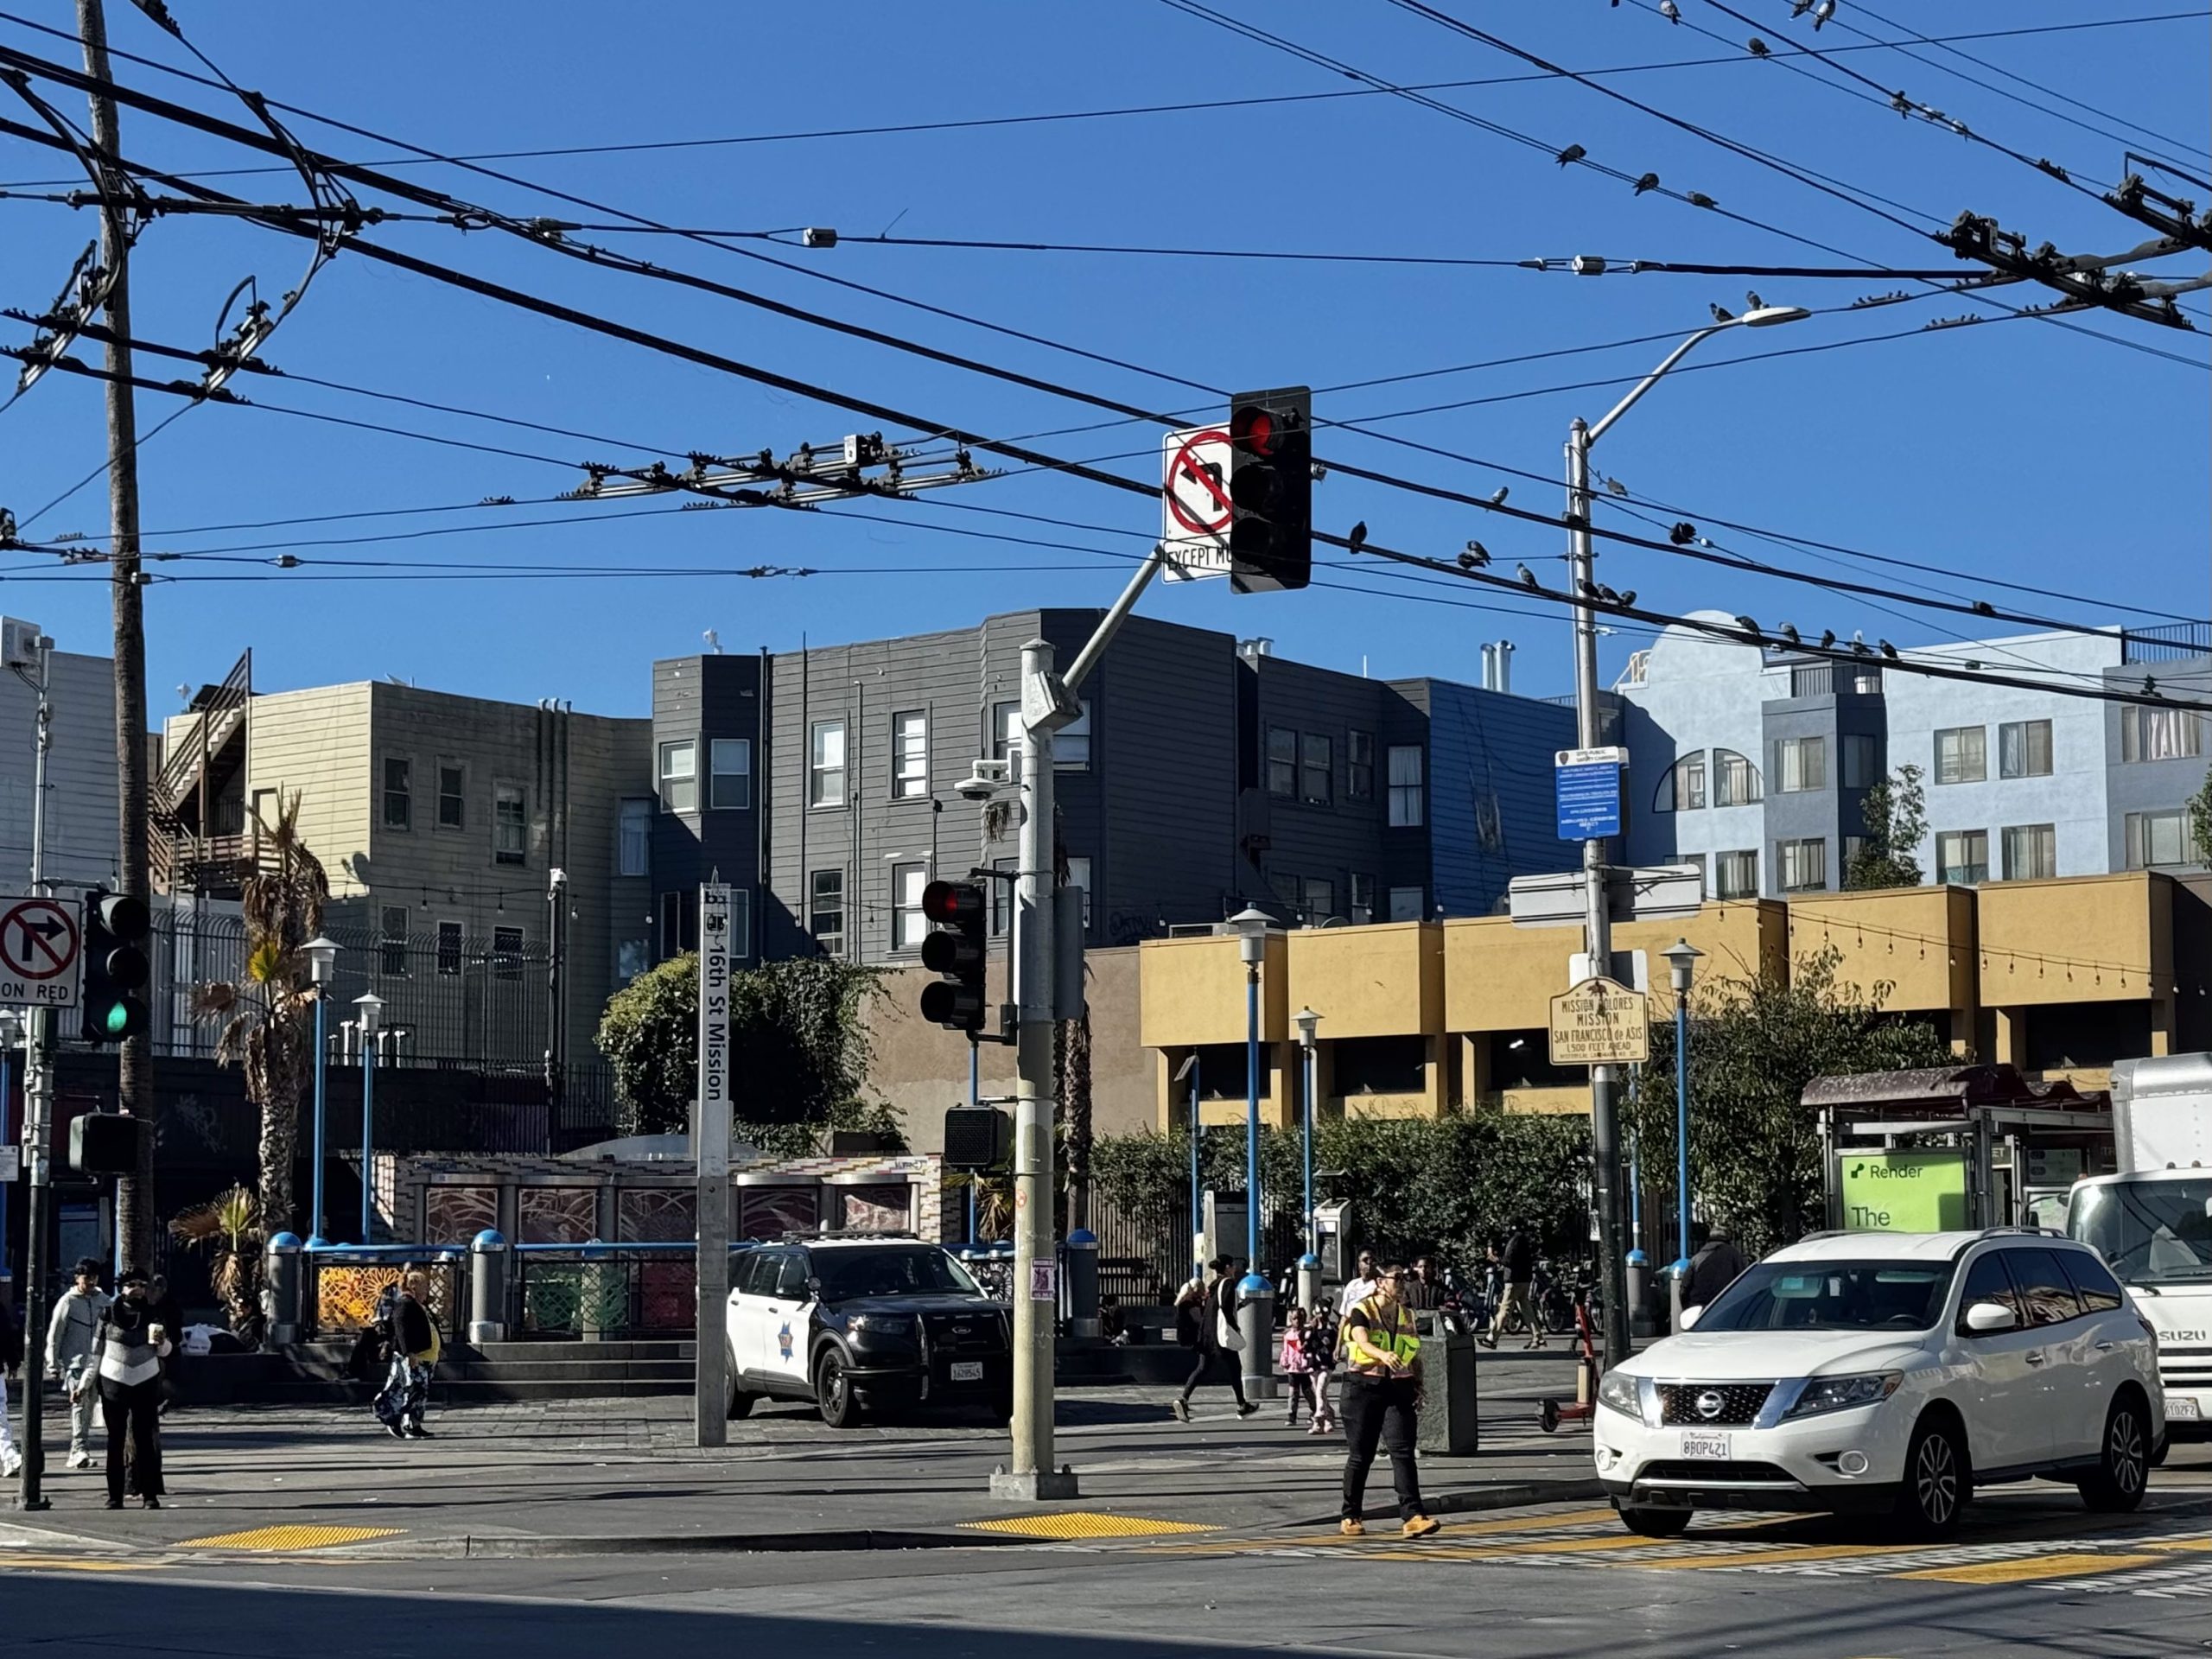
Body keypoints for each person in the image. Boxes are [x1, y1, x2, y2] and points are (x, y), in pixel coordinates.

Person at [1338, 1264, 1439, 1540]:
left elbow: (1414, 1353)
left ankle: (1413, 1516)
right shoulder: (1363, 1310)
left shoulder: (1406, 1314)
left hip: (1397, 1387)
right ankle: (1350, 1515)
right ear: (1381, 1283)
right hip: (1362, 1388)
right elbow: (1362, 1340)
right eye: (1398, 1279)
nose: (1403, 1283)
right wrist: (1382, 1355)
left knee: (1403, 1450)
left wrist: (1418, 1384)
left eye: (1406, 1278)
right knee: (1362, 1455)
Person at [95, 1268, 168, 1510]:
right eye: (130, 1284)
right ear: (121, 1288)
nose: (136, 1288)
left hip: (146, 1381)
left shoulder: (154, 1315)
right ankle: (114, 1496)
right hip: (112, 1382)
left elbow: (167, 1351)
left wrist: (162, 1342)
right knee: (115, 1440)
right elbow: (95, 1352)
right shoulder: (106, 1314)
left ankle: (150, 1495)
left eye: (140, 1284)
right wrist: (85, 1385)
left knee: (144, 1440)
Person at [1171, 1257, 1255, 1422]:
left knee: (1203, 1368)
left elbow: (1216, 1307)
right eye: (1232, 1266)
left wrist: (1238, 1306)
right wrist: (1234, 1327)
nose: (1235, 1269)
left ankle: (1183, 1398)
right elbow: (1225, 1308)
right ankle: (1241, 1405)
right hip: (1220, 1335)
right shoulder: (1229, 1283)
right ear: (1228, 1267)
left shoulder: (1214, 1285)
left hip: (1207, 1334)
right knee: (1235, 1367)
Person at [45, 1258, 109, 1471]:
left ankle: (80, 1449)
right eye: (86, 1278)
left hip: (103, 1363)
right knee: (80, 1406)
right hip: (76, 1364)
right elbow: (55, 1334)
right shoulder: (68, 1302)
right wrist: (53, 1363)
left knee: (92, 1410)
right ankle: (78, 1450)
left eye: (93, 1278)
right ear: (77, 1278)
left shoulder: (104, 1301)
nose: (89, 1282)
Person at [373, 1271, 441, 1440]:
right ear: (413, 1286)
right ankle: (392, 1417)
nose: (427, 1289)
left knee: (418, 1392)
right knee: (407, 1389)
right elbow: (402, 1330)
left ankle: (414, 1424)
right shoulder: (405, 1304)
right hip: (414, 1356)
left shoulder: (419, 1305)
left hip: (426, 1356)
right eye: (424, 1285)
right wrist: (409, 1353)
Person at [1482, 1226, 1541, 1351]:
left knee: (1505, 1309)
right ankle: (1537, 1337)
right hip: (1525, 1279)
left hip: (1514, 1280)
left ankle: (1491, 1339)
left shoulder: (1514, 1241)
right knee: (1526, 1309)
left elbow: (1508, 1260)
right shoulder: (1523, 1239)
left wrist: (1496, 1259)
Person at [1681, 1224, 1748, 1314]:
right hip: (1724, 1306)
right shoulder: (1734, 1255)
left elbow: (1684, 1288)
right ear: (1727, 1238)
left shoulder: (1697, 1258)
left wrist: (1687, 1307)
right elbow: (1743, 1281)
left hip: (1698, 1308)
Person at [1302, 1303, 1338, 1435]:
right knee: (1318, 1391)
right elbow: (1304, 1343)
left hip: (1327, 1363)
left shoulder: (1332, 1328)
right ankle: (1329, 1417)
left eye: (1324, 1314)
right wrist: (1310, 1330)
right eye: (1318, 1314)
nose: (1321, 1317)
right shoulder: (1310, 1329)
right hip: (1313, 1363)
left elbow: (1335, 1343)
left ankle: (1319, 1418)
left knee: (1320, 1389)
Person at [1280, 1306, 1317, 1427]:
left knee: (1308, 1392)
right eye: (1295, 1318)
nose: (1297, 1321)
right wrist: (1284, 1361)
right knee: (1293, 1392)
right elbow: (1286, 1350)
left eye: (1300, 1318)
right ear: (1291, 1320)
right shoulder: (1288, 1335)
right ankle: (1292, 1415)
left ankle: (1315, 1410)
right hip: (1293, 1368)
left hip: (1304, 1367)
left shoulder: (1307, 1333)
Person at [1334, 1250, 1380, 1319]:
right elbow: (1344, 1314)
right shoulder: (1352, 1284)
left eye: (1373, 1260)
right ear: (1359, 1264)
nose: (1369, 1263)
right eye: (1365, 1260)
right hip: (1350, 1322)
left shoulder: (1380, 1285)